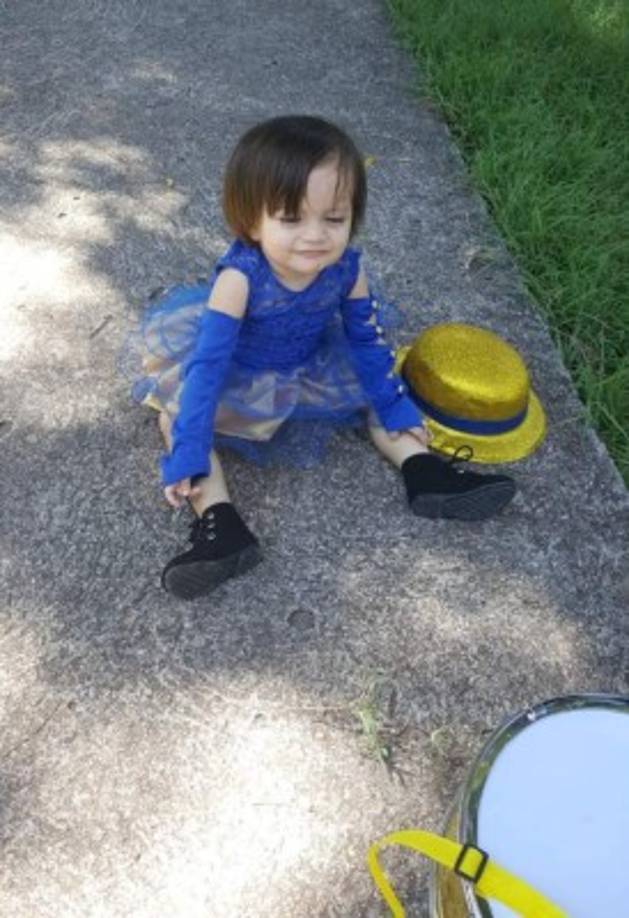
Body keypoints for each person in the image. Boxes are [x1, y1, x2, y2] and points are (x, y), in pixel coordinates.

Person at [128, 115, 515, 599]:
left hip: (312, 363)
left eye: (334, 218)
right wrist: (187, 448)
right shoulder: (239, 280)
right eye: (291, 218)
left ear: (352, 217)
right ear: (252, 220)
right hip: (241, 374)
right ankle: (219, 523)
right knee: (176, 415)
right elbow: (207, 369)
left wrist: (395, 405)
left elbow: (368, 344)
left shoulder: (347, 270)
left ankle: (425, 473)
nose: (316, 236)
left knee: (377, 391)